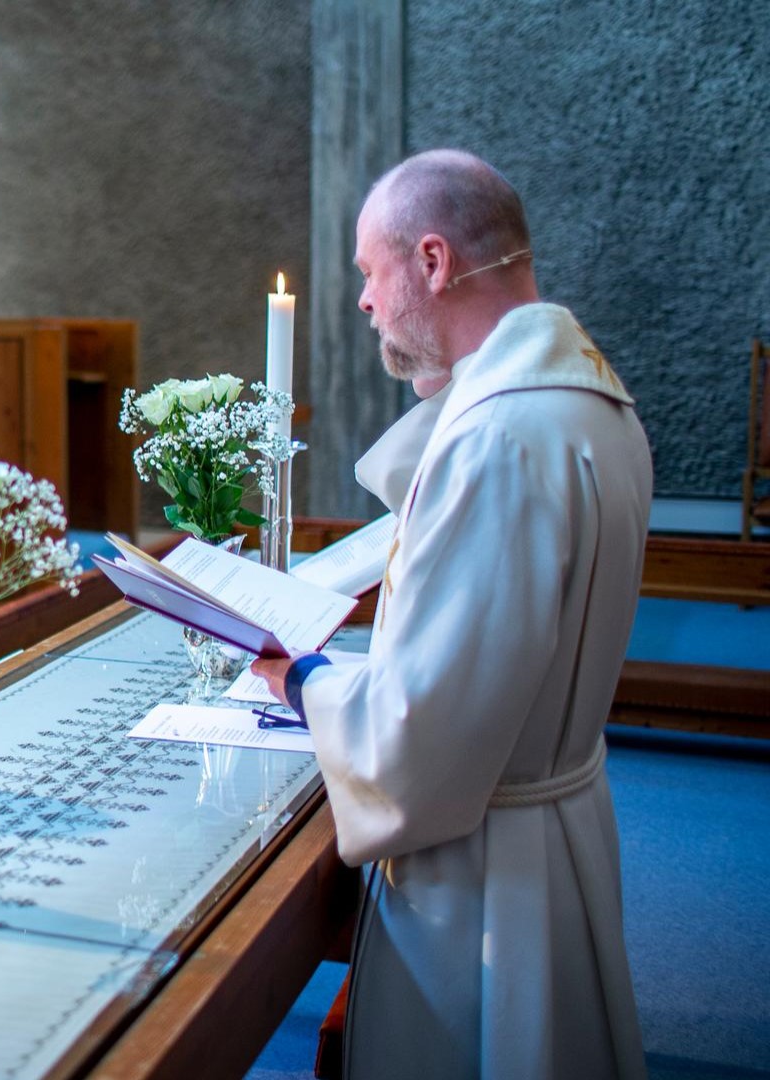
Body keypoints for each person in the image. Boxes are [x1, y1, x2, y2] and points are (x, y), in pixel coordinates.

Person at [251, 149, 649, 1079]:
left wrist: (303, 680)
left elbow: (416, 739)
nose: (364, 303)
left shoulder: (501, 439)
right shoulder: (587, 397)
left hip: (483, 884)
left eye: (368, 273)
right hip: (558, 821)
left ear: (432, 263)